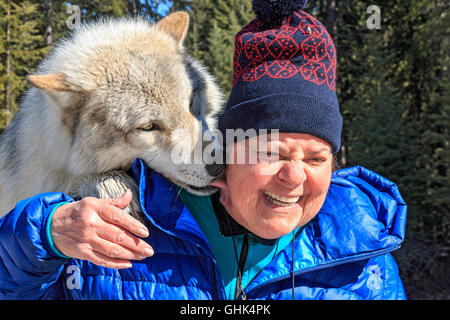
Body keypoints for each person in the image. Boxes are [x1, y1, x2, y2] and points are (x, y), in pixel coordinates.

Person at [0, 0, 407, 300]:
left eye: (317, 158)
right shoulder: (112, 230)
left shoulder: (366, 254)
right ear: (234, 146)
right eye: (271, 153)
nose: (295, 177)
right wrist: (42, 233)